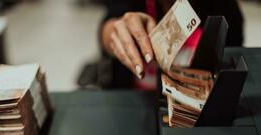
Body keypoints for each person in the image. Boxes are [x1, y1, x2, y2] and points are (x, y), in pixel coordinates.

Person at [99, 0, 244, 89]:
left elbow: (234, 55)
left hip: (196, 112)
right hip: (138, 102)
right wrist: (114, 32)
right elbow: (109, 25)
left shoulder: (223, 6)